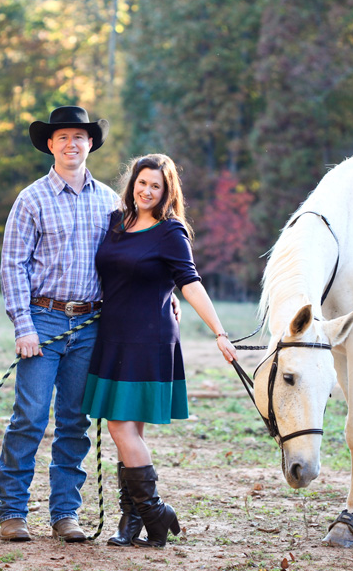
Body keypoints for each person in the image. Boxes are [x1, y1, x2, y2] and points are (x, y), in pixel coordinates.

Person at [81, 153, 238, 548]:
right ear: (132, 183)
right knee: (127, 431)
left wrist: (219, 331)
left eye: (156, 186)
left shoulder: (171, 232)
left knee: (120, 427)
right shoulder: (116, 222)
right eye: (142, 183)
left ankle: (154, 512)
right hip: (113, 334)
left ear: (167, 191)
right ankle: (133, 521)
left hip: (149, 338)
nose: (147, 191)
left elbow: (189, 281)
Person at [0, 106, 118, 543]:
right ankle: (12, 512)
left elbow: (124, 265)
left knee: (74, 421)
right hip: (43, 321)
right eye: (63, 137)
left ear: (90, 144)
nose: (72, 144)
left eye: (79, 137)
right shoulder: (31, 199)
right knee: (29, 417)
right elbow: (13, 265)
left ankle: (65, 513)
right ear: (50, 144)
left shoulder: (110, 202)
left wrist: (163, 299)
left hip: (90, 324)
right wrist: (23, 326)